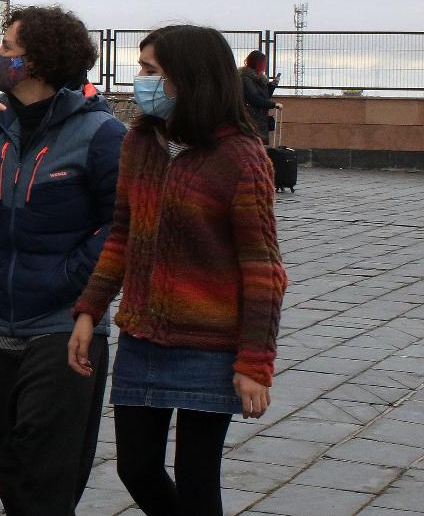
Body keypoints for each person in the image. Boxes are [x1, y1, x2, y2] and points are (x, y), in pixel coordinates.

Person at [68, 25, 288, 516]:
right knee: (136, 469)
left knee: (196, 482)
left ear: (189, 79)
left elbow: (263, 270)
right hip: (142, 338)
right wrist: (89, 311)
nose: (138, 81)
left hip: (210, 348)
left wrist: (256, 363)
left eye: (150, 71)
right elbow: (121, 234)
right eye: (140, 68)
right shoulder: (140, 144)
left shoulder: (242, 158)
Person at [0, 5, 125, 516]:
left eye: (8, 47)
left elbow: (121, 223)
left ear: (37, 60)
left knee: (47, 455)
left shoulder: (100, 134)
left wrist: (73, 281)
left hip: (63, 321)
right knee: (6, 450)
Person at [240, 50, 281, 144]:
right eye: (263, 63)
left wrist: (272, 86)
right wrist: (274, 104)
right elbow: (254, 99)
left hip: (260, 120)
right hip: (252, 120)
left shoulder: (259, 79)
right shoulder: (246, 79)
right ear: (257, 63)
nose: (264, 66)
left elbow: (264, 97)